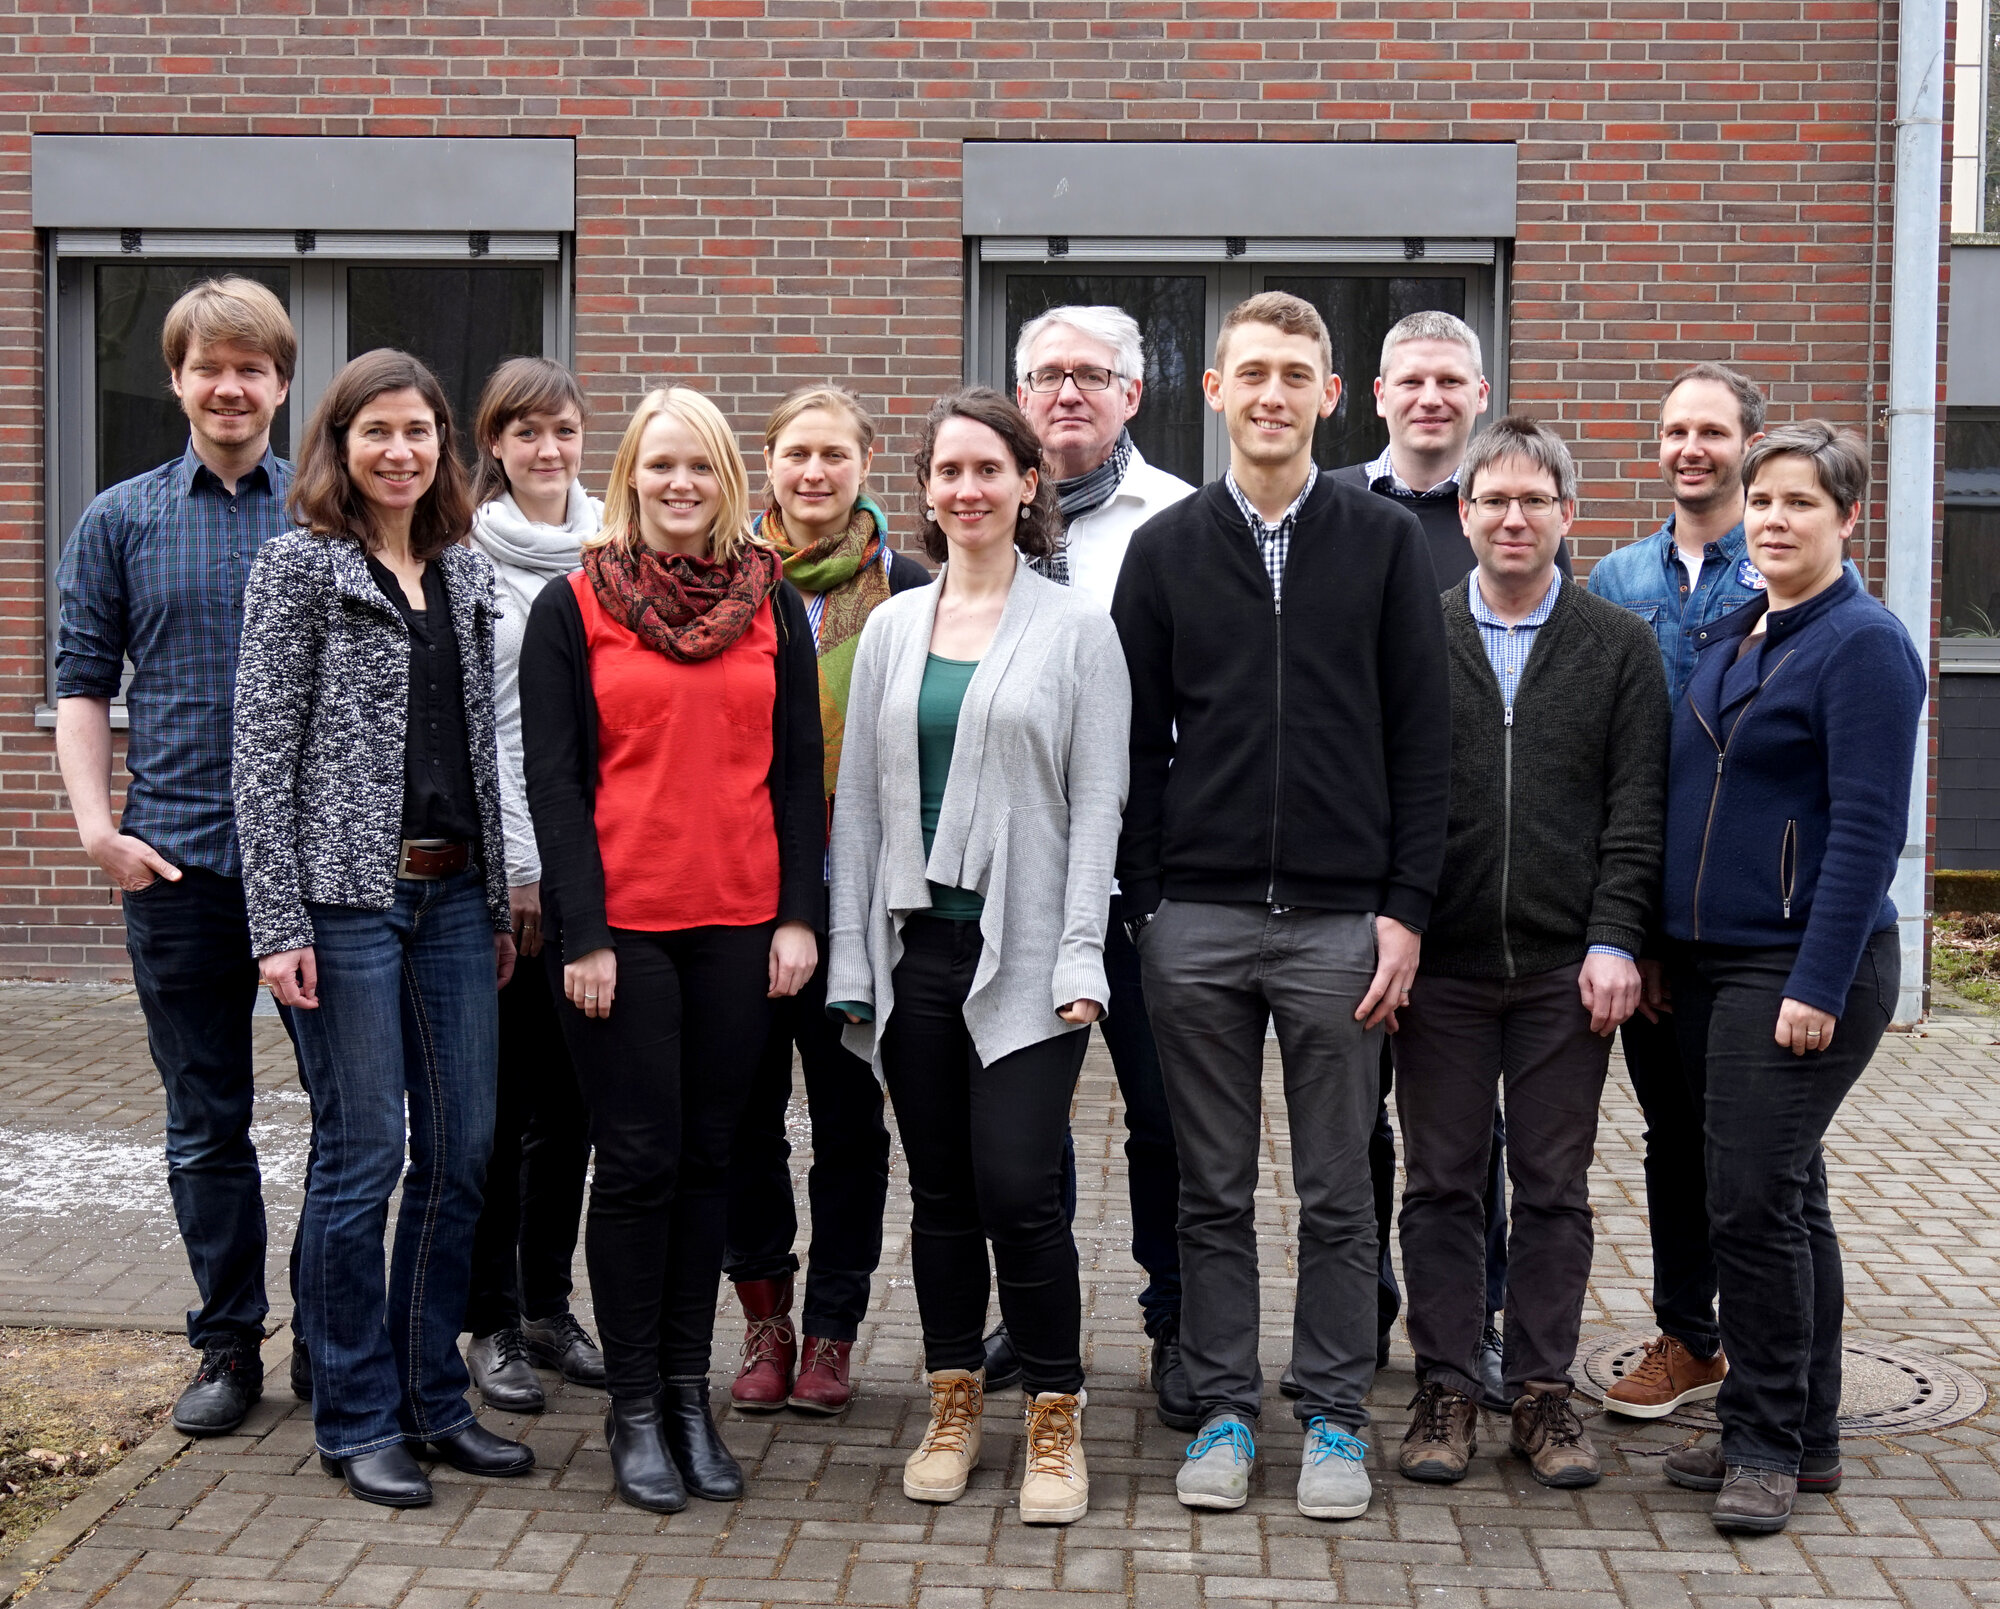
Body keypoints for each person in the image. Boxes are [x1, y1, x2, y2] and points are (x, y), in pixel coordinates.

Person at [1112, 292, 1451, 1523]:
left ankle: (1332, 1419)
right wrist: (1147, 899)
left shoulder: (1382, 543)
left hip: (1337, 927)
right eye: (1248, 370)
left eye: (1293, 372)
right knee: (1206, 1188)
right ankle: (1219, 1408)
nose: (1270, 391)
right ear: (1213, 392)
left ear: (1329, 394)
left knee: (1335, 1188)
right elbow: (1131, 740)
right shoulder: (1163, 550)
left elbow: (1424, 742)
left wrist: (1402, 910)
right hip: (1194, 923)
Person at [827, 387, 1129, 1527]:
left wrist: (1080, 957)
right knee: (943, 1193)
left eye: (987, 470)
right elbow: (857, 804)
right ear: (925, 490)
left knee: (1018, 1186)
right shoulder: (892, 630)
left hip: (1029, 957)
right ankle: (954, 1400)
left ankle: (1053, 1408)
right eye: (946, 472)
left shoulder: (1074, 628)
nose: (966, 489)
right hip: (917, 953)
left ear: (1023, 485)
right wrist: (856, 958)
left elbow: (1098, 805)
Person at [234, 349, 530, 1508]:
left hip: (456, 894)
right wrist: (275, 922)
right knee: (364, 1160)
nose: (400, 453)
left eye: (419, 432)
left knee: (461, 1151)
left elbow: (481, 742)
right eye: (376, 434)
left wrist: (505, 889)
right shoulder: (297, 568)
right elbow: (260, 760)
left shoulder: (461, 569)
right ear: (339, 446)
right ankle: (354, 1414)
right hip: (345, 903)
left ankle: (431, 1398)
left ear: (443, 445)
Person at [519, 386, 823, 1516]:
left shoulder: (768, 603)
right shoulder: (574, 606)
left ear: (725, 479)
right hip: (624, 935)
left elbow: (798, 772)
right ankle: (633, 1406)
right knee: (638, 1164)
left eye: (698, 465)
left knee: (712, 1162)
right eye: (659, 466)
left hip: (741, 926)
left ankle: (688, 1398)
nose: (679, 484)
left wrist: (797, 916)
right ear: (630, 477)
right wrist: (583, 934)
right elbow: (555, 784)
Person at [1655, 423, 1923, 1534]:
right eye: (1760, 501)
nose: (1771, 519)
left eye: (1799, 503)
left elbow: (1866, 827)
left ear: (1845, 519)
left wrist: (1812, 981)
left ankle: (1760, 1441)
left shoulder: (1862, 642)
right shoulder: (1734, 634)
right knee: (1787, 1196)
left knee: (1748, 1204)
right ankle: (1801, 1434)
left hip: (1805, 962)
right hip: (1716, 962)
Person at [1391, 417, 1667, 1490]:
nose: (1512, 518)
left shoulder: (1616, 644)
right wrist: (1398, 926)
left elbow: (1633, 807)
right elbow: (1388, 798)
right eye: (1490, 500)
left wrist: (1613, 937)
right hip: (1445, 966)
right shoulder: (1414, 633)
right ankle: (1447, 1385)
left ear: (1567, 515)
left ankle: (1544, 1394)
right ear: (1461, 516)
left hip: (1564, 969)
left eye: (1532, 500)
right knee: (1442, 1183)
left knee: (1550, 1185)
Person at [55, 277, 298, 1438]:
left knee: (361, 1118)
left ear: (281, 383)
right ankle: (227, 1344)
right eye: (210, 365)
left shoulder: (329, 512)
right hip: (179, 865)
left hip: (317, 876)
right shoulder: (121, 518)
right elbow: (82, 683)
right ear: (178, 379)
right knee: (207, 1119)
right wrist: (98, 826)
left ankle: (346, 1339)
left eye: (251, 367)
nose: (230, 385)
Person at [1331, 308, 1543, 1407]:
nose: (1429, 397)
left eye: (1449, 380)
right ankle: (1358, 1305)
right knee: (1352, 1114)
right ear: (1374, 393)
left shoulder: (1503, 516)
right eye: (1409, 379)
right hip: (1353, 871)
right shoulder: (1330, 512)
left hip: (1468, 885)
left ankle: (1477, 1322)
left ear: (1475, 391)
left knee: (1472, 1131)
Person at [1006, 304, 1198, 1428]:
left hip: (1146, 876)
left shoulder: (1178, 520)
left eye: (1091, 374)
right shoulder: (976, 516)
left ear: (1132, 394)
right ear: (1020, 394)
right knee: (1025, 1122)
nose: (1066, 391)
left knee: (1166, 1119)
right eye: (1046, 374)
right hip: (1021, 870)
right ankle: (1036, 1318)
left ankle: (1173, 1319)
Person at [723, 386, 929, 1416]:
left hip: (860, 900)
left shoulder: (910, 584)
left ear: (864, 461)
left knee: (850, 1122)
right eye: (795, 451)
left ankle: (831, 1336)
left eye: (832, 454)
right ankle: (762, 1322)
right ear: (766, 460)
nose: (813, 472)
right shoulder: (717, 584)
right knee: (745, 1120)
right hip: (739, 891)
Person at [1582, 363, 1770, 1418]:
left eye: (1708, 430)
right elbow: (1615, 762)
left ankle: (1771, 1353)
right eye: (1670, 431)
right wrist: (1630, 929)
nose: (1687, 448)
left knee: (1754, 1152)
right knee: (1671, 1136)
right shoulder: (1615, 579)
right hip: (1654, 911)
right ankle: (1687, 1338)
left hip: (1749, 912)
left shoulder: (1781, 565)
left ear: (1747, 440)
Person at [462, 358, 606, 1412]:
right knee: (500, 1111)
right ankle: (491, 1319)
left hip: (602, 867)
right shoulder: (465, 556)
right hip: (510, 868)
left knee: (573, 1111)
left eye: (559, 429)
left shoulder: (615, 540)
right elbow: (488, 735)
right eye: (524, 434)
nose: (545, 450)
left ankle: (551, 1308)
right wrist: (516, 866)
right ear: (495, 445)